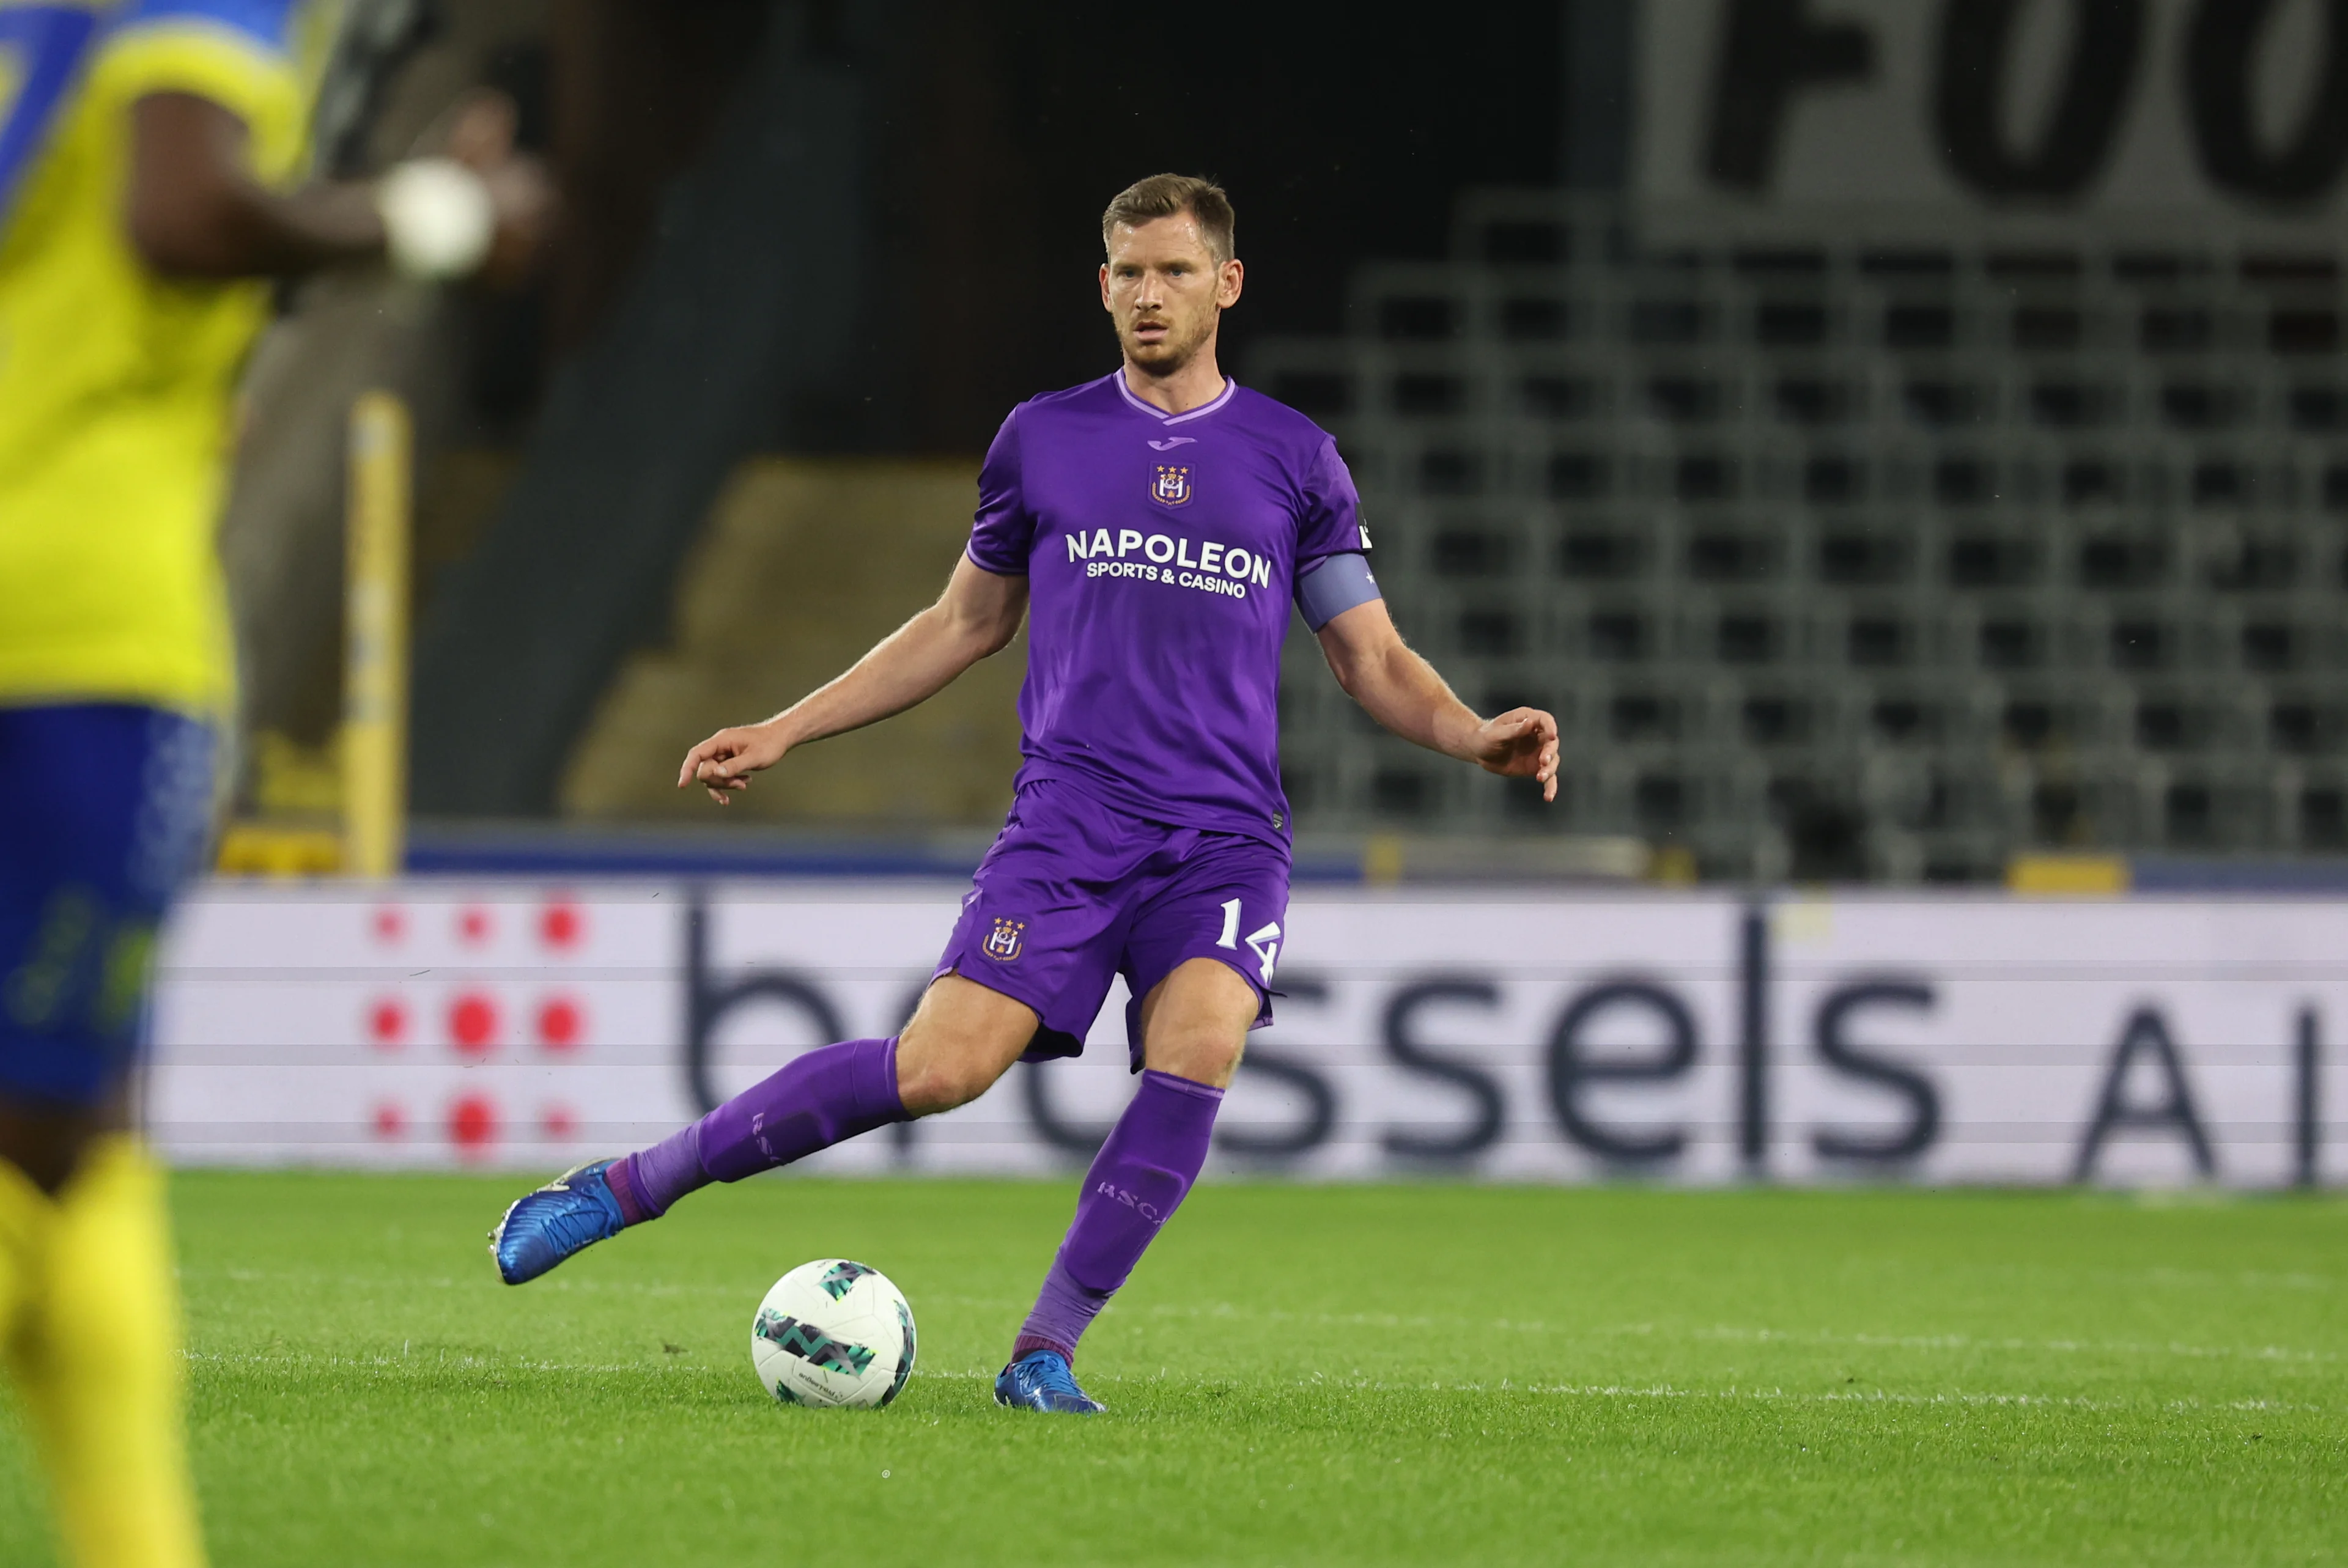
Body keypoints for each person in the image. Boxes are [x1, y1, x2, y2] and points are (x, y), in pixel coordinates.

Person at [490, 172, 1559, 1415]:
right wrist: (789, 727)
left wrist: (1477, 730)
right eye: (1127, 273)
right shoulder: (1043, 438)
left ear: (1228, 282)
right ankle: (621, 1187)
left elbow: (1369, 659)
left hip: (1221, 839)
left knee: (1200, 1043)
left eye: (1173, 271)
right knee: (941, 1068)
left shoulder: (1293, 459)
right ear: (1101, 286)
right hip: (1069, 823)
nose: (1148, 295)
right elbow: (964, 623)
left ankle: (1043, 1352)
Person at [0, 4, 544, 1561]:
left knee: (87, 1129)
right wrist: (443, 216)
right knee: (43, 1133)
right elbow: (182, 212)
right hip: (78, 633)